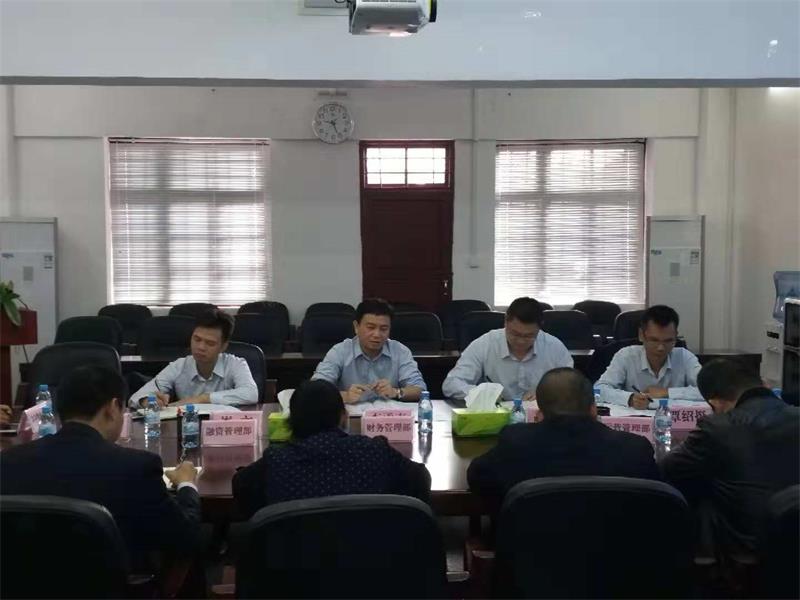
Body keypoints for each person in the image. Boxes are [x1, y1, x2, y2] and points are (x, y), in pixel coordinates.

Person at [0, 365, 201, 565]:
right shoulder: (137, 467)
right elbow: (185, 538)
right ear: (112, 408)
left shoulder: (8, 462)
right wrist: (186, 484)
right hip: (112, 583)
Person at [661, 359, 799, 561]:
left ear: (715, 403)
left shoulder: (718, 427)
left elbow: (668, 469)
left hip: (744, 554)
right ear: (764, 384)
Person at [232, 379, 431, 517]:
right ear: (343, 416)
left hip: (296, 563)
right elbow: (421, 479)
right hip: (370, 560)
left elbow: (241, 486)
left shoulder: (277, 460)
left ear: (291, 421)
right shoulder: (374, 451)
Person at [467, 368, 660, 502]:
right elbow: (660, 500)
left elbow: (477, 477)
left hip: (531, 548)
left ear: (539, 413)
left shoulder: (515, 442)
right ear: (593, 409)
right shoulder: (635, 449)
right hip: (617, 549)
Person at [442, 297, 573, 402]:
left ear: (539, 328)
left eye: (529, 336)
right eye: (515, 334)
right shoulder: (485, 344)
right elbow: (451, 384)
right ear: (505, 322)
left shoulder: (554, 347)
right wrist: (482, 393)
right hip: (494, 416)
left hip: (539, 418)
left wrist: (547, 394)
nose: (521, 341)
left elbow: (571, 387)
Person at [130, 309, 258, 407]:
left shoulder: (236, 364)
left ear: (223, 346)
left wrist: (203, 398)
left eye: (210, 343)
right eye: (197, 339)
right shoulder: (179, 366)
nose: (201, 347)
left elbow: (251, 393)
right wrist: (146, 401)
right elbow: (136, 397)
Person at [311, 298, 427, 404]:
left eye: (384, 329)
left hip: (388, 417)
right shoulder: (340, 351)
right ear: (356, 327)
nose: (377, 334)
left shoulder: (400, 351)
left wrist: (396, 392)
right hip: (351, 416)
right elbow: (315, 389)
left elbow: (420, 389)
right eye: (370, 327)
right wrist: (345, 396)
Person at [596, 305, 703, 409]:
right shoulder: (626, 356)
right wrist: (630, 398)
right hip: (634, 418)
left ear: (675, 336)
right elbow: (599, 389)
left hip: (673, 419)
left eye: (668, 341)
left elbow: (708, 390)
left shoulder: (684, 357)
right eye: (654, 340)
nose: (661, 348)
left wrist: (667, 392)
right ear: (641, 335)